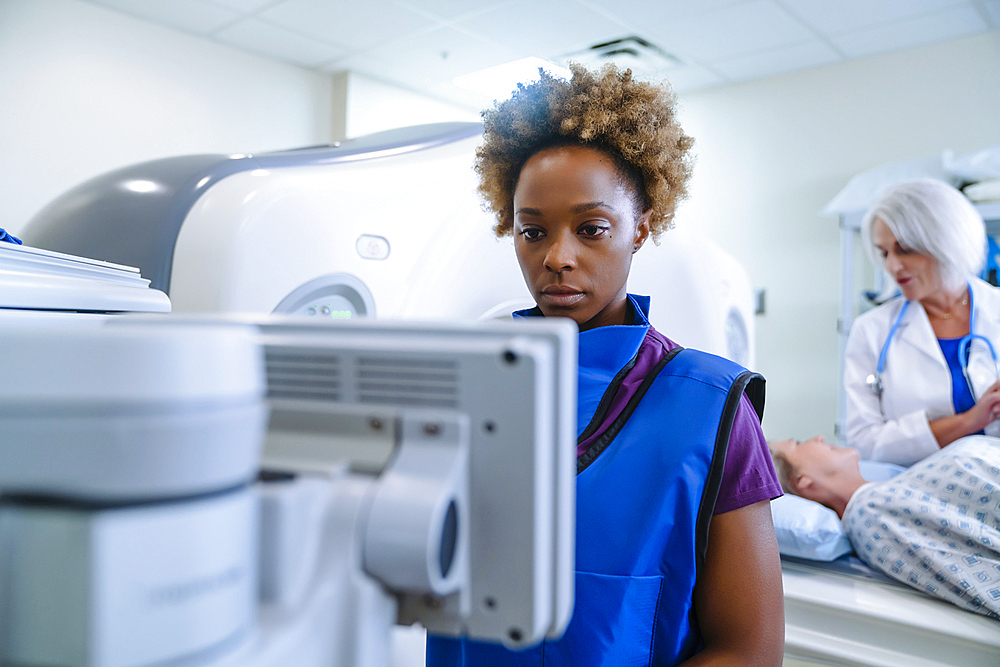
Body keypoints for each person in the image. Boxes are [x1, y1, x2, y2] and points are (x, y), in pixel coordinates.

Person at [426, 64, 784, 666]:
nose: (557, 257)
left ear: (640, 229)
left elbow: (749, 651)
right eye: (532, 231)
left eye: (591, 229)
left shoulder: (710, 405)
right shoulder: (464, 382)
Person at [844, 178, 1000, 466]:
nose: (892, 266)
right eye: (884, 252)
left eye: (905, 249)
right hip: (915, 493)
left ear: (946, 241)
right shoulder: (871, 331)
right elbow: (865, 443)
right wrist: (969, 421)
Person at [769, 435, 1000, 619]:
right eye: (797, 443)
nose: (818, 438)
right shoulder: (870, 514)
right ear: (801, 480)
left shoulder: (881, 496)